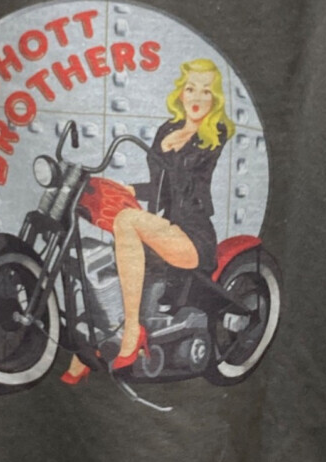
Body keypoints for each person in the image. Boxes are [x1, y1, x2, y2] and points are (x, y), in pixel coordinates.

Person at [62, 58, 235, 384]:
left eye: (206, 91)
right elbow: (160, 188)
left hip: (192, 234)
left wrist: (173, 151)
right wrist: (130, 189)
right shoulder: (167, 129)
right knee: (99, 237)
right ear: (181, 92)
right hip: (166, 225)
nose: (197, 98)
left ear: (215, 98)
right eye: (191, 88)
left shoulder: (215, 133)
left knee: (127, 220)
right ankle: (93, 340)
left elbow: (186, 184)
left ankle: (132, 331)